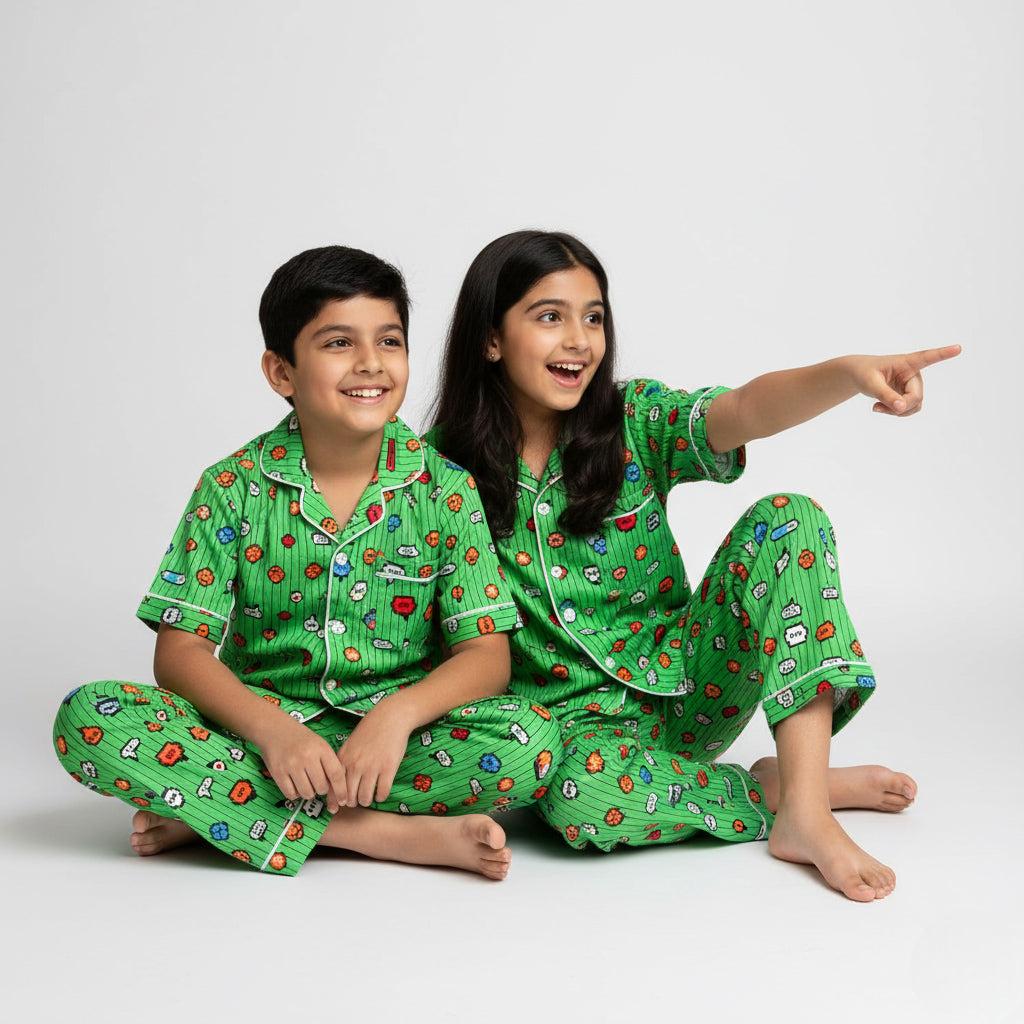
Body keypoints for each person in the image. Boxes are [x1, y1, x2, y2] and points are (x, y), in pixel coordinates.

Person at [427, 229, 960, 901]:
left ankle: (806, 809)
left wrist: (849, 374)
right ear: (491, 338)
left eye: (594, 317)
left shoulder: (633, 420)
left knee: (790, 519)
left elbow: (746, 408)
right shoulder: (434, 476)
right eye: (550, 317)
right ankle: (776, 790)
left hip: (691, 692)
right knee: (576, 799)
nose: (580, 340)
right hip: (572, 746)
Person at [53, 245, 560, 879]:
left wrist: (396, 716)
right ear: (281, 371)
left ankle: (220, 811)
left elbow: (486, 656)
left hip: (394, 744)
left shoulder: (447, 490)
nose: (370, 363)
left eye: (389, 341)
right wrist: (274, 733)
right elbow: (180, 654)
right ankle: (381, 835)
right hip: (257, 735)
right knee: (88, 718)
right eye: (338, 343)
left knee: (532, 743)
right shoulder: (230, 487)